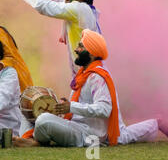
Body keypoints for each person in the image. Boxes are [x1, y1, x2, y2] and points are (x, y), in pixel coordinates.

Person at [13, 29, 168, 147]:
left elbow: (105, 109)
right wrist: (66, 105)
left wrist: (72, 106)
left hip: (92, 133)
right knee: (30, 112)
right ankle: (157, 123)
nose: (76, 49)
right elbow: (80, 105)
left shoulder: (97, 77)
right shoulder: (84, 74)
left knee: (43, 121)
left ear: (92, 54)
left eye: (81, 46)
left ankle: (36, 142)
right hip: (79, 125)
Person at [15, 0, 101, 76]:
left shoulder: (78, 9)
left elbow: (43, 6)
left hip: (89, 75)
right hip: (85, 72)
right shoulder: (83, 8)